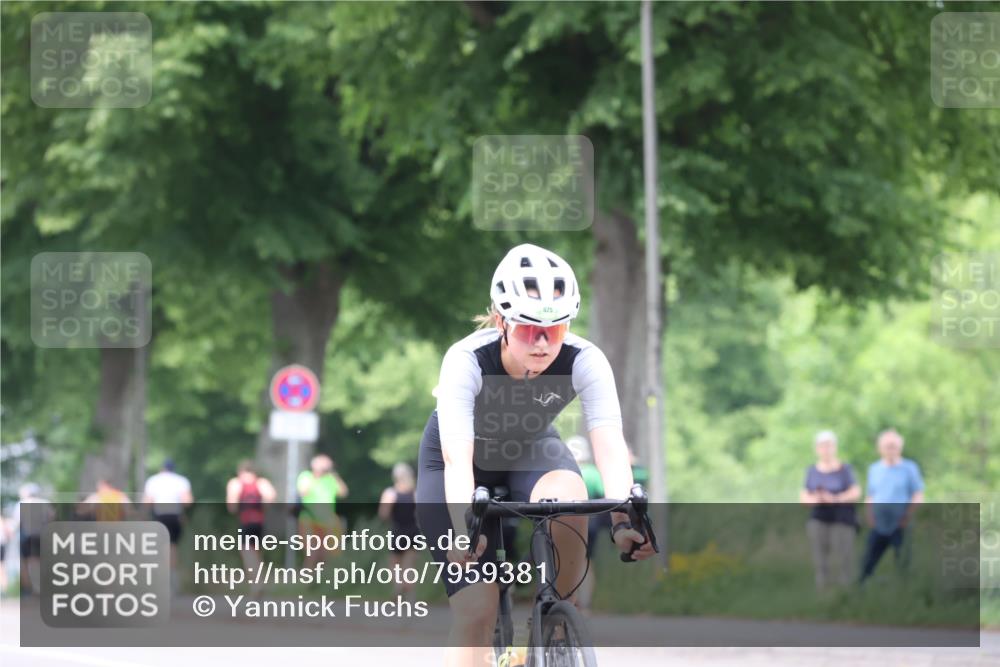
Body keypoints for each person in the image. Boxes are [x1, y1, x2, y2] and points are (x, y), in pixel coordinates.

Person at [414, 244, 655, 667]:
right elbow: (456, 458)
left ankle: (551, 621)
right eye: (529, 329)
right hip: (457, 464)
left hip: (528, 449)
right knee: (475, 611)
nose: (543, 344)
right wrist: (462, 528)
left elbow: (609, 444)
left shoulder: (586, 359)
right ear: (502, 321)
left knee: (570, 493)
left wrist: (623, 519)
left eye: (556, 329)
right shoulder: (466, 360)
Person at [859, 429, 925, 584]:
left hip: (901, 524)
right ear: (880, 448)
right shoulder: (874, 469)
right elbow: (870, 495)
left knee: (902, 562)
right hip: (878, 524)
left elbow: (918, 495)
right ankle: (859, 593)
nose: (891, 449)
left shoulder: (910, 468)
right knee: (867, 562)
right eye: (887, 446)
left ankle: (904, 593)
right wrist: (869, 515)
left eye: (894, 446)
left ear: (900, 447)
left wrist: (907, 515)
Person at [799, 430, 861, 589]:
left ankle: (846, 592)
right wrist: (818, 499)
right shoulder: (811, 471)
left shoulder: (845, 469)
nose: (826, 449)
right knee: (820, 559)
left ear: (835, 447)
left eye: (829, 445)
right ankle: (823, 592)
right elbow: (804, 497)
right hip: (819, 518)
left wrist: (834, 499)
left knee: (844, 558)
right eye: (822, 446)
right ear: (816, 448)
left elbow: (855, 492)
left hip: (842, 518)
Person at [226, 460, 277, 591]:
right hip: (259, 522)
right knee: (256, 552)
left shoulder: (236, 483)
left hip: (245, 521)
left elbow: (231, 506)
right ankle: (259, 580)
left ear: (240, 471)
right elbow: (271, 497)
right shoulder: (261, 483)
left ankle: (256, 582)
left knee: (247, 552)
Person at [297, 453, 349, 568]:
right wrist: (317, 475)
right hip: (309, 519)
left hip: (327, 520)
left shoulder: (331, 479)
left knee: (326, 554)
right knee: (312, 552)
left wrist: (333, 475)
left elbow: (343, 492)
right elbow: (302, 492)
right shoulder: (306, 476)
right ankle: (307, 580)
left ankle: (320, 581)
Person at [378, 462, 419, 602]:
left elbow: (383, 514)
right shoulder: (415, 493)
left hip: (398, 530)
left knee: (394, 563)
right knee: (409, 565)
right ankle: (410, 594)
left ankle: (398, 585)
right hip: (414, 531)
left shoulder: (391, 493)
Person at [143, 459, 194, 571]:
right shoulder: (182, 481)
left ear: (162, 468)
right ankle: (172, 574)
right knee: (173, 545)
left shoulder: (153, 480)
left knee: (160, 545)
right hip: (175, 515)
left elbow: (147, 502)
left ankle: (161, 572)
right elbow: (188, 501)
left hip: (159, 515)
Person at [13, 483, 51, 595]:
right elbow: (51, 518)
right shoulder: (45, 503)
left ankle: (30, 590)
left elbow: (17, 522)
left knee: (25, 563)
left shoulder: (21, 504)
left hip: (27, 537)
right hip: (42, 536)